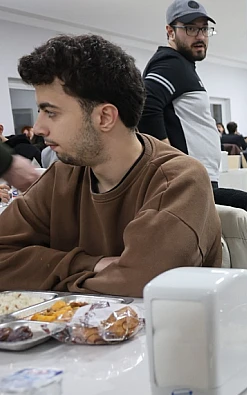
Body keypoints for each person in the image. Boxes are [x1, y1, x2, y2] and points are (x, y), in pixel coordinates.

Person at [0, 34, 222, 297]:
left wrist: (44, 271)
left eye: (51, 112)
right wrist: (91, 264)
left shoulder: (179, 180)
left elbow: (140, 286)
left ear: (105, 117)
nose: (38, 128)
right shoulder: (61, 175)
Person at [138, 0, 222, 188]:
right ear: (170, 31)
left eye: (204, 29)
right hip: (185, 179)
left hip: (196, 176)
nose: (200, 36)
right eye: (191, 29)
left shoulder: (182, 66)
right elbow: (145, 105)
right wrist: (168, 163)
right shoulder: (171, 63)